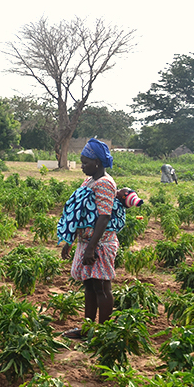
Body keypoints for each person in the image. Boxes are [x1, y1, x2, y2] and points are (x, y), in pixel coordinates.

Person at [58, 138, 118, 340]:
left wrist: (91, 248)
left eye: (86, 163)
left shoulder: (105, 184)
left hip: (100, 244)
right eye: (82, 162)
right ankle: (88, 328)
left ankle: (103, 333)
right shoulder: (90, 181)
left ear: (98, 163)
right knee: (89, 286)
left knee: (102, 287)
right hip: (87, 242)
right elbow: (80, 213)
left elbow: (104, 216)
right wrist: (70, 240)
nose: (82, 166)